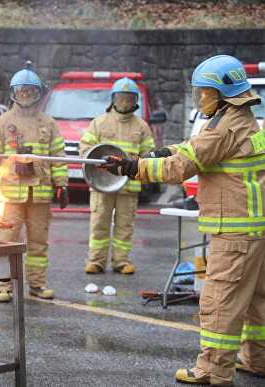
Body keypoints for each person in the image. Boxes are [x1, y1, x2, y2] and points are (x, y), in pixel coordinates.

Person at [103, 54, 265, 385]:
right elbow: (194, 148)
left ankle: (212, 371)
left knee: (220, 301)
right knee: (255, 300)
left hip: (233, 234)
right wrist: (156, 152)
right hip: (254, 230)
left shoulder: (224, 127)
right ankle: (257, 359)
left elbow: (183, 167)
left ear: (224, 93)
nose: (200, 98)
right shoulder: (242, 119)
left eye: (205, 93)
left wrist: (133, 167)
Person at [0, 62, 69, 303]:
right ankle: (2, 286)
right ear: (13, 92)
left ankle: (37, 284)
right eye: (22, 91)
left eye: (30, 91)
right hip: (10, 194)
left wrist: (62, 184)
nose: (26, 95)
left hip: (39, 193)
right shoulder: (2, 123)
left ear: (38, 93)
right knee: (4, 241)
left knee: (39, 242)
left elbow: (58, 157)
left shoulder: (48, 124)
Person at [79, 77, 156, 275]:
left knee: (125, 225)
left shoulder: (141, 126)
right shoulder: (99, 123)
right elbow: (85, 149)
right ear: (113, 99)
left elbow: (149, 155)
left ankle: (121, 261)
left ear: (135, 100)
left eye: (129, 98)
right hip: (102, 183)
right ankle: (96, 261)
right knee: (99, 223)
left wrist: (143, 172)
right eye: (121, 97)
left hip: (129, 185)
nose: (125, 102)